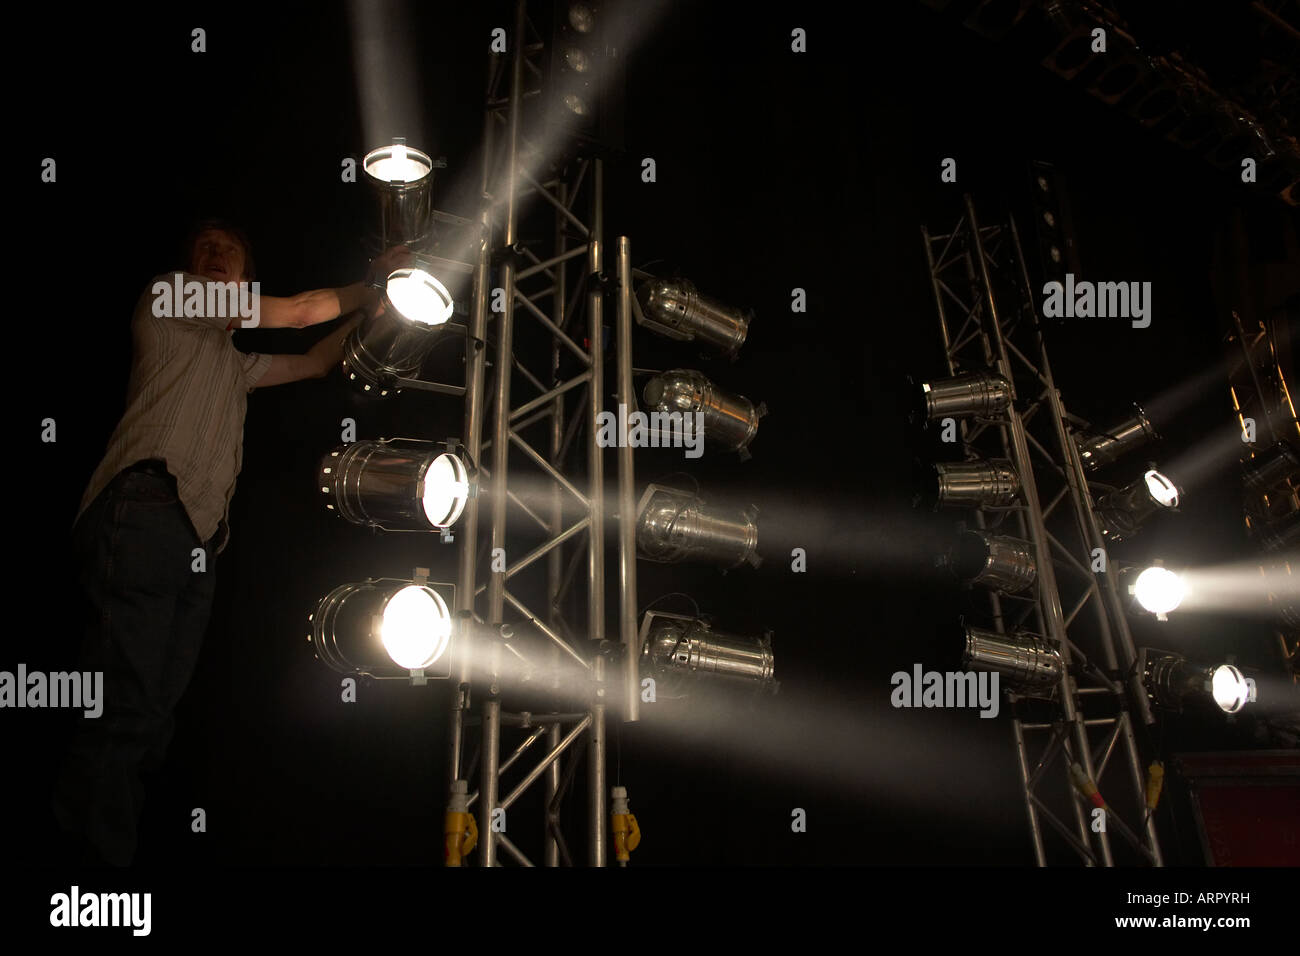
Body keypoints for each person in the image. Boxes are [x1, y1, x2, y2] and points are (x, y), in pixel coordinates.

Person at [52, 219, 411, 866]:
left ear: (244, 278)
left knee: (152, 720)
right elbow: (301, 314)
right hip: (144, 507)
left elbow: (314, 359)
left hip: (195, 541)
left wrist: (382, 311)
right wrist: (372, 281)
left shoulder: (235, 362)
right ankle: (86, 882)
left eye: (228, 250)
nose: (212, 255)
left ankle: (101, 859)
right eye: (202, 248)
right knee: (123, 706)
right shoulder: (169, 297)